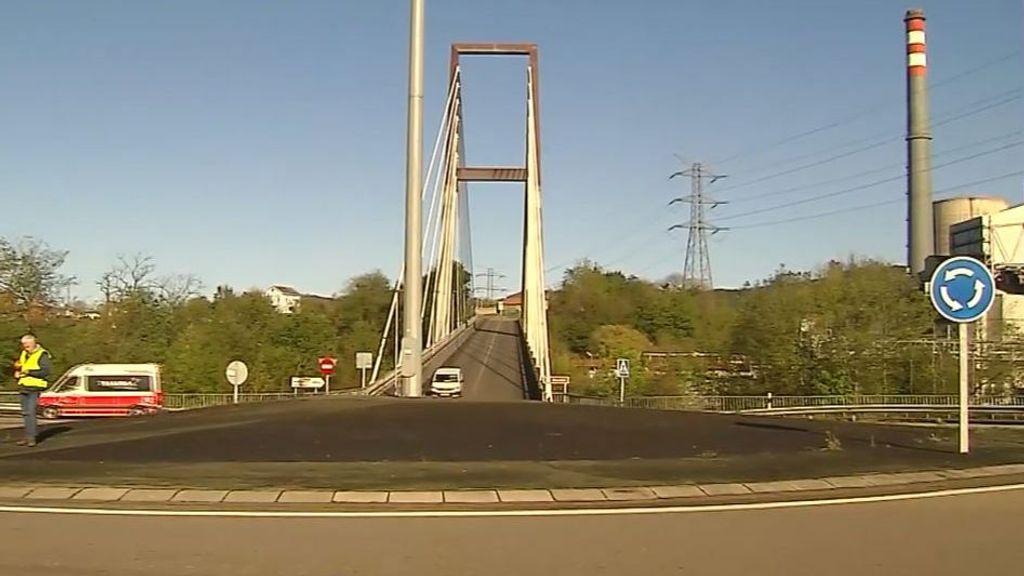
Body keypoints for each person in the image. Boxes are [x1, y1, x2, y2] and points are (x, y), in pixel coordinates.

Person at [13, 334, 51, 447]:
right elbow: (22, 366)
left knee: (31, 412)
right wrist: (18, 372)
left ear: (33, 343)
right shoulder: (24, 353)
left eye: (27, 344)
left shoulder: (42, 354)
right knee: (25, 413)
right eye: (23, 344)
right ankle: (28, 436)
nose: (25, 347)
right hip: (24, 385)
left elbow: (45, 372)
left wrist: (28, 372)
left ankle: (32, 437)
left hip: (35, 386)